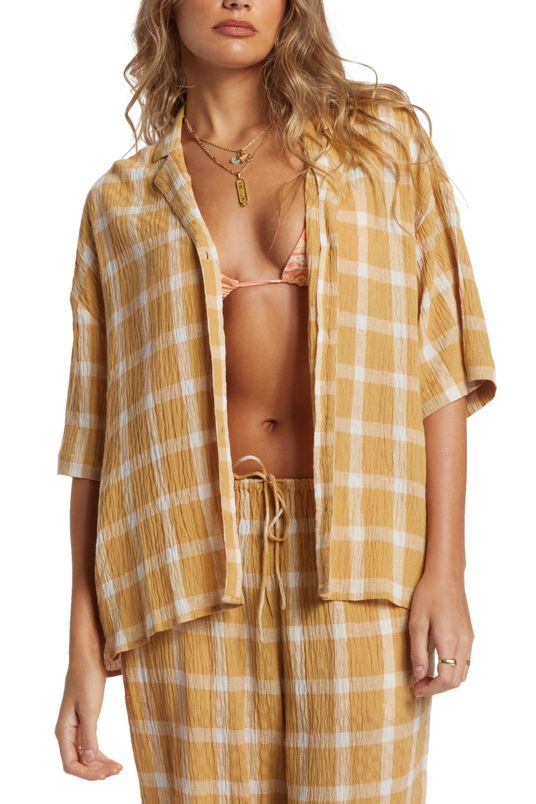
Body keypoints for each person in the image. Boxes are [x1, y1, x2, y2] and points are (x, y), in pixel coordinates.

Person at [54, 1, 497, 801]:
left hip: (359, 555)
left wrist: (447, 569)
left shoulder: (381, 146)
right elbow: (95, 435)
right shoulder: (119, 204)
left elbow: (442, 364)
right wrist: (83, 641)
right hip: (181, 569)